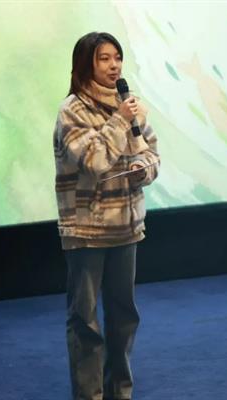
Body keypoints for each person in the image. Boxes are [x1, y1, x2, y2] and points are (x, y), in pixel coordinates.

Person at [52, 32, 160, 400]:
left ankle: (120, 393)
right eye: (104, 58)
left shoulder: (130, 106)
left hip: (126, 227)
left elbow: (151, 153)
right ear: (86, 64)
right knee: (85, 319)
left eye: (117, 57)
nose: (114, 66)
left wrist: (144, 169)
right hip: (86, 230)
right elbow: (95, 161)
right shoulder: (72, 111)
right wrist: (118, 120)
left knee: (124, 316)